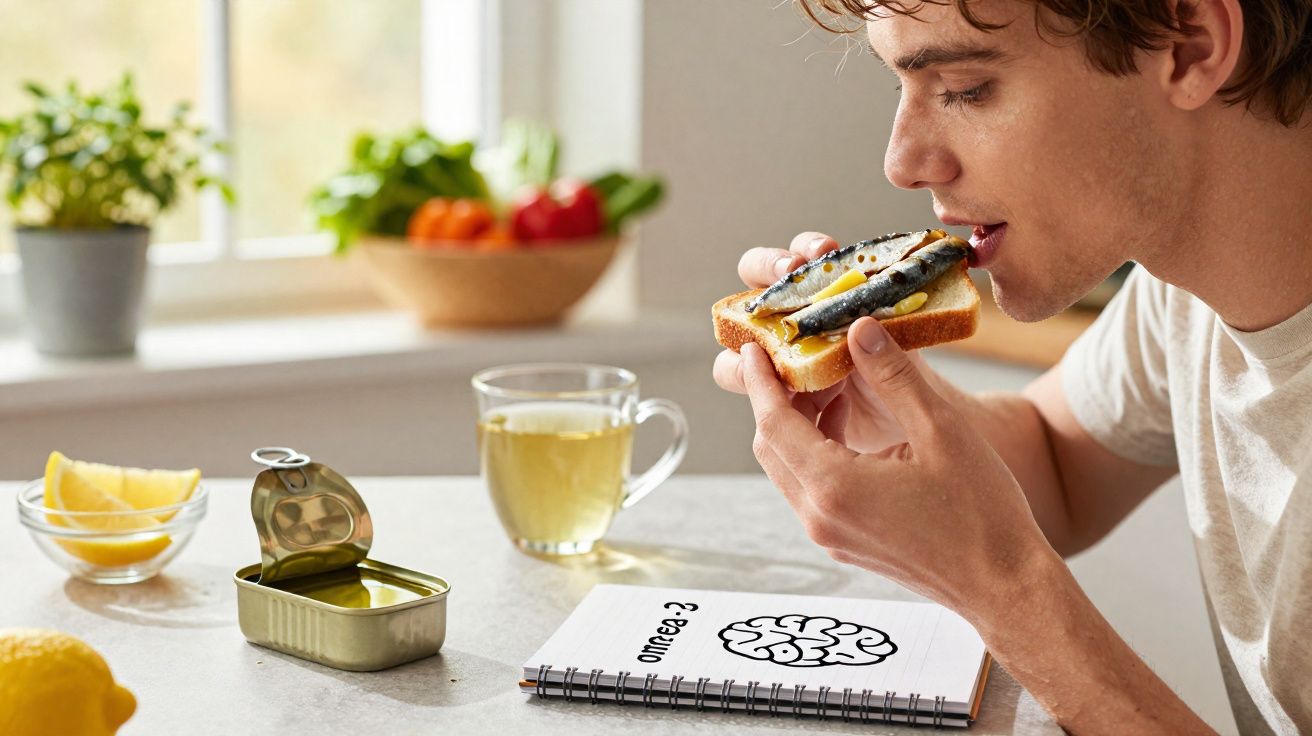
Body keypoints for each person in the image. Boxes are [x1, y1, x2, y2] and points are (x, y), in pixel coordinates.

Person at [712, 0, 1311, 732]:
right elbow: (1056, 460)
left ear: (1189, 46)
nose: (901, 162)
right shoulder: (1186, 292)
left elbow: (1015, 556)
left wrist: (1006, 591)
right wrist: (881, 398)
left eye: (965, 89)